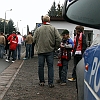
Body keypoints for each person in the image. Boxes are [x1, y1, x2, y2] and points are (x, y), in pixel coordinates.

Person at [33, 15, 61, 88]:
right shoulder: (53, 29)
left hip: (41, 51)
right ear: (49, 21)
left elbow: (34, 39)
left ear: (42, 21)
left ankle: (42, 81)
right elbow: (58, 39)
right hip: (50, 50)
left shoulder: (38, 29)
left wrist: (37, 46)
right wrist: (55, 47)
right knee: (50, 67)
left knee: (40, 67)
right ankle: (50, 83)